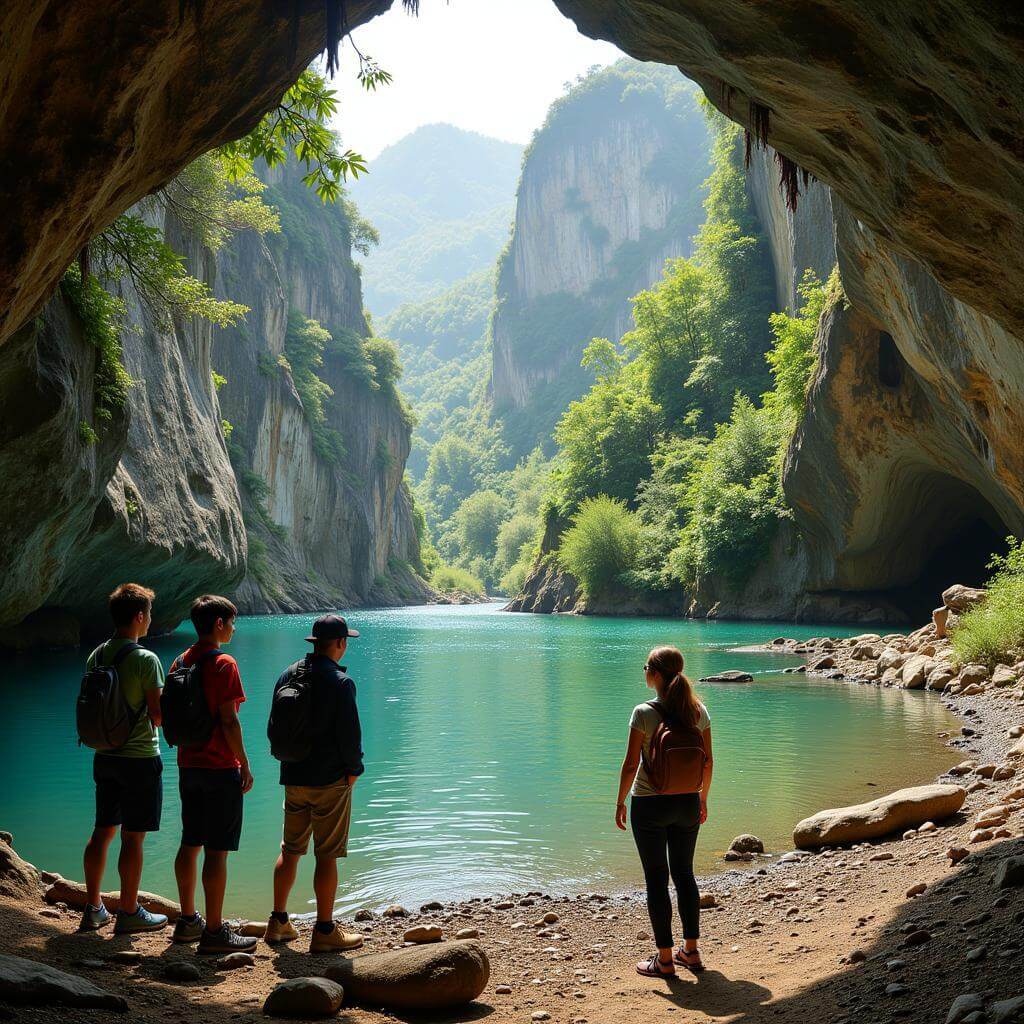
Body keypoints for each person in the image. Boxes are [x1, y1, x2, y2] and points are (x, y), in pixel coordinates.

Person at [265, 614, 365, 954]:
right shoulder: (340, 682)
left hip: (293, 776)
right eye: (345, 641)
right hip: (330, 781)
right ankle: (324, 930)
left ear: (314, 643)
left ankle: (278, 922)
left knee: (290, 850)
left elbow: (273, 726)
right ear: (339, 644)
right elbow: (350, 736)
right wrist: (354, 770)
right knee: (327, 855)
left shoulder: (288, 674)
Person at [616, 646, 714, 978]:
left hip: (649, 803)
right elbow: (708, 761)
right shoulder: (698, 711)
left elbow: (631, 764)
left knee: (656, 880)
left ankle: (665, 960)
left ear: (655, 675)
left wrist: (619, 802)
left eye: (646, 667)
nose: (644, 671)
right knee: (684, 875)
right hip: (687, 802)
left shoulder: (642, 712)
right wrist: (702, 799)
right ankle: (692, 953)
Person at [169, 595, 257, 954]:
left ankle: (188, 920)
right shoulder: (224, 663)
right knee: (217, 852)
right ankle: (215, 932)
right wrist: (245, 764)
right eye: (231, 622)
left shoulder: (179, 660)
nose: (234, 628)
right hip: (220, 768)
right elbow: (229, 720)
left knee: (190, 842)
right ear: (218, 624)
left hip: (188, 765)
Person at [79, 583, 169, 934]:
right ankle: (129, 912)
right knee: (133, 837)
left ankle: (94, 907)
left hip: (104, 755)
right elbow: (158, 715)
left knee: (102, 831)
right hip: (140, 759)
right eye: (148, 614)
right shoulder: (146, 659)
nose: (150, 620)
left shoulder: (96, 655)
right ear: (138, 616)